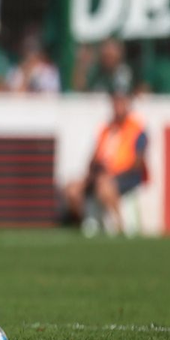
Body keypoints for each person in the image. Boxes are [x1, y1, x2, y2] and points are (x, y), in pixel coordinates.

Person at [62, 75, 148, 235]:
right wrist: (93, 172)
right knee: (72, 189)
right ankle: (89, 220)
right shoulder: (105, 129)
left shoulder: (137, 129)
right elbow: (94, 157)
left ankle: (121, 224)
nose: (117, 106)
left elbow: (138, 161)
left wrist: (112, 173)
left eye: (121, 102)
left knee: (105, 185)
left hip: (125, 176)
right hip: (100, 175)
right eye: (115, 102)